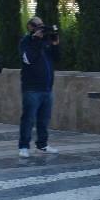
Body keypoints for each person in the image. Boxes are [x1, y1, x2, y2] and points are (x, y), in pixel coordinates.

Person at [18, 16, 60, 158]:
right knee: (28, 119)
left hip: (47, 88)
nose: (41, 27)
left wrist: (55, 44)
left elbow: (58, 58)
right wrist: (35, 40)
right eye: (37, 25)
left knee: (44, 119)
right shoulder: (26, 41)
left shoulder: (46, 41)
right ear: (30, 27)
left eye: (42, 24)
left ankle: (42, 144)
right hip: (31, 88)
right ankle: (24, 146)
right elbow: (28, 59)